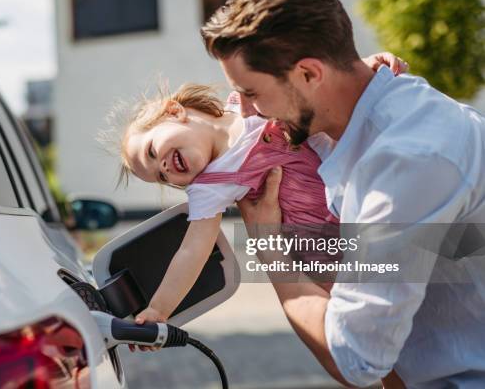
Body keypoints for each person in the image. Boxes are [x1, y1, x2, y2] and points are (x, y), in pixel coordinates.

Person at [200, 0, 485, 387]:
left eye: (251, 92)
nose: (246, 111)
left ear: (309, 73)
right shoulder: (352, 120)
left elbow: (355, 358)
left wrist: (269, 252)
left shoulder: (408, 162)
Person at [112, 53, 406, 332]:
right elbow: (192, 251)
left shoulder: (249, 99)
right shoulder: (210, 185)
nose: (163, 168)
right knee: (379, 336)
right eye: (161, 177)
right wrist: (159, 309)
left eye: (152, 151)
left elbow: (318, 89)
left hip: (368, 204)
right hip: (326, 254)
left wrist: (366, 68)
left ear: (173, 112)